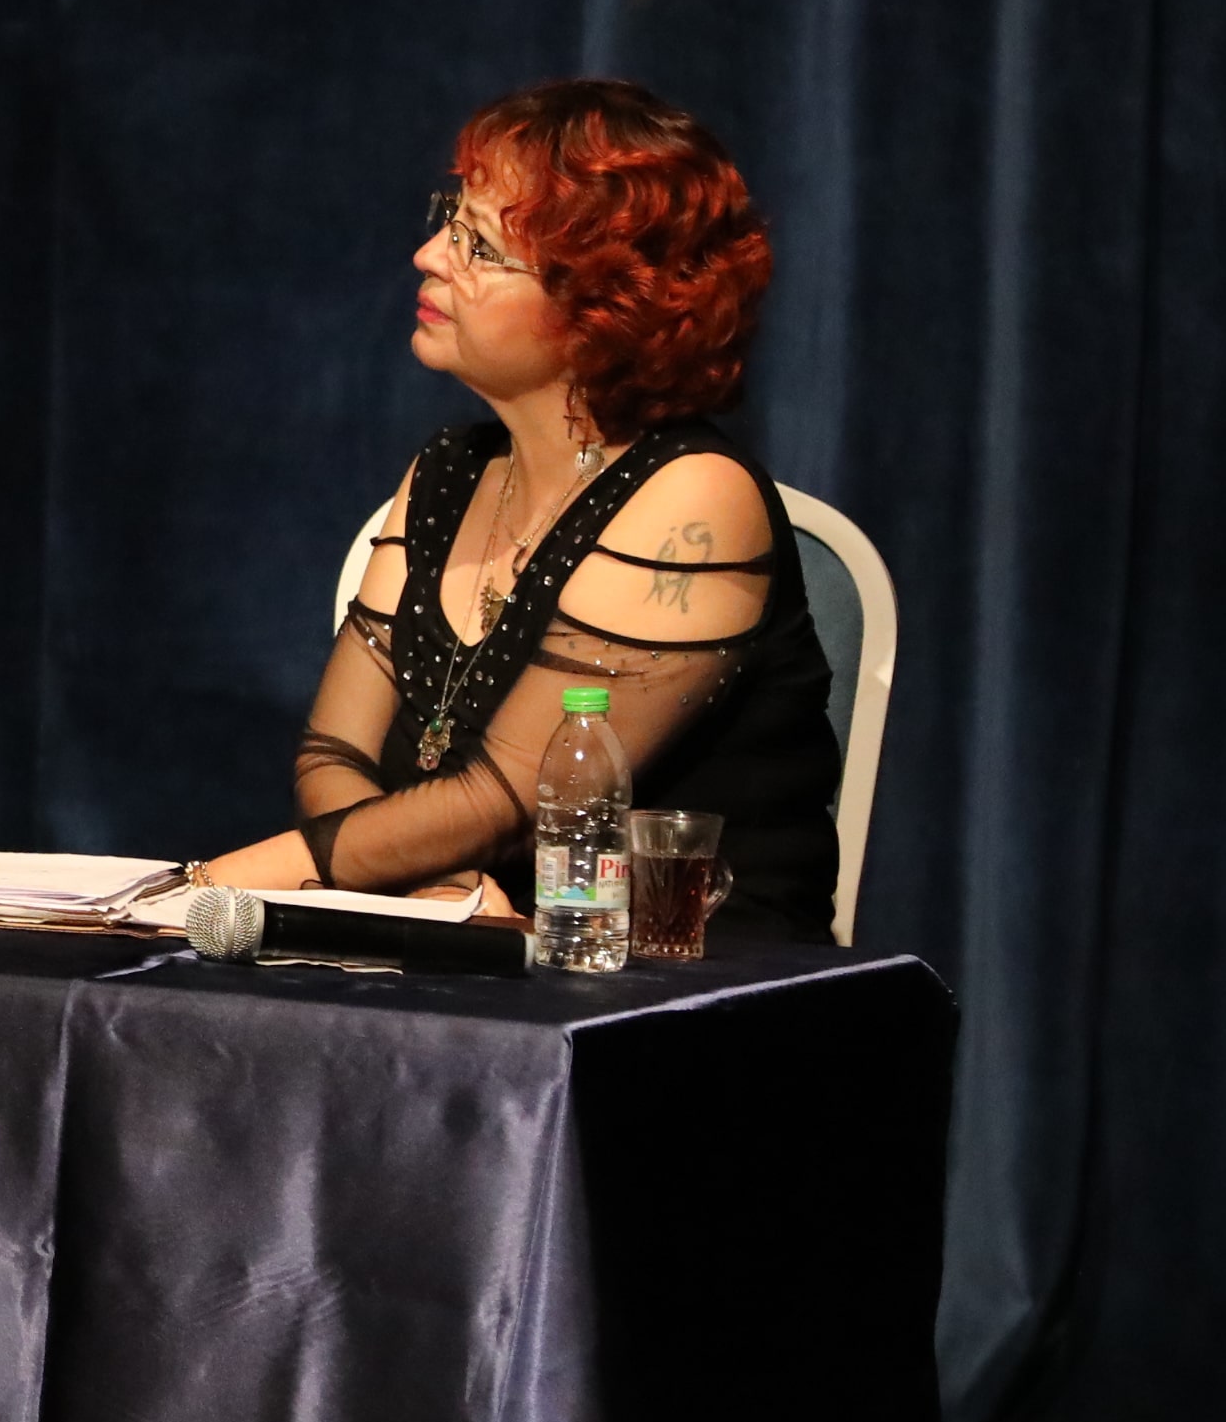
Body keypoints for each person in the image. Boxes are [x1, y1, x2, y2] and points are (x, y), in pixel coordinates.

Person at [195, 78, 840, 944]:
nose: (430, 256)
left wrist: (211, 884)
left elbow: (508, 796)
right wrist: (443, 888)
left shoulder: (694, 497)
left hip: (674, 980)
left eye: (480, 246)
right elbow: (333, 755)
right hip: (476, 959)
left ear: (602, 305)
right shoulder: (449, 472)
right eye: (449, 221)